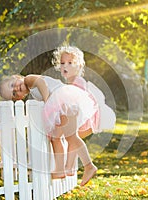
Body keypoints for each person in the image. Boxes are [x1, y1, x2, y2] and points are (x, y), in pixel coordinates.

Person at [0, 74, 98, 186]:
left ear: (17, 77)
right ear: (19, 98)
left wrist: (47, 101)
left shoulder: (28, 79)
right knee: (55, 138)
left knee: (71, 136)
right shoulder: (32, 91)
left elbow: (41, 82)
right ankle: (59, 169)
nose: (16, 89)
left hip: (64, 100)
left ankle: (89, 165)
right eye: (14, 93)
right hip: (61, 102)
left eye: (13, 85)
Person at [52, 44, 116, 176]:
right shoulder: (70, 83)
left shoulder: (78, 81)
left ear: (79, 66)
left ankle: (82, 166)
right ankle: (69, 167)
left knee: (72, 137)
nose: (65, 66)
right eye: (63, 63)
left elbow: (79, 100)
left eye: (70, 63)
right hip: (80, 115)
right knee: (72, 138)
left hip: (87, 116)